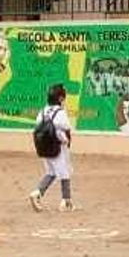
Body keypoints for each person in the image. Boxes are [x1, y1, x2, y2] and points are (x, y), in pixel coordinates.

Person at [29, 83, 75, 212]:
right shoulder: (60, 112)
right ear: (60, 98)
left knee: (51, 172)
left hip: (44, 146)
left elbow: (38, 127)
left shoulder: (42, 111)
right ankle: (66, 201)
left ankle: (37, 193)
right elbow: (66, 129)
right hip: (57, 146)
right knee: (64, 172)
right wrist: (67, 143)